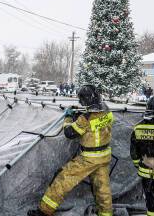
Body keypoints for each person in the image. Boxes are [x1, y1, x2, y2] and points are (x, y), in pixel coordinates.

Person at [28, 84, 114, 216]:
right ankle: (106, 213)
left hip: (89, 158)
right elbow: (95, 122)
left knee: (63, 179)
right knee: (102, 189)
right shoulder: (107, 110)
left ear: (85, 100)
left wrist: (68, 118)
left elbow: (70, 133)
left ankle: (44, 211)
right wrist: (81, 113)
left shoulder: (86, 118)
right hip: (104, 156)